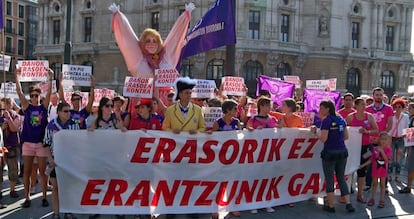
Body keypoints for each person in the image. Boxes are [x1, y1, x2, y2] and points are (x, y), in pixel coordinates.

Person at [110, 2, 194, 76]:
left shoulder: (166, 57)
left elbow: (175, 36)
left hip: (165, 93)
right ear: (142, 43)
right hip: (143, 93)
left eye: (155, 41)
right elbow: (127, 35)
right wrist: (118, 17)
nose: (151, 44)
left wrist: (185, 17)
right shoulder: (138, 59)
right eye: (148, 41)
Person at [162, 77, 205, 219]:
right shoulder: (170, 110)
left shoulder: (198, 110)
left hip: (192, 152)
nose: (189, 95)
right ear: (180, 94)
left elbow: (203, 128)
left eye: (190, 92)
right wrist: (171, 132)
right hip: (175, 153)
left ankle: (192, 209)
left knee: (191, 181)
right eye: (186, 92)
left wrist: (197, 132)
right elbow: (164, 128)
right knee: (173, 182)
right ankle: (171, 210)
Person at [15, 67, 53, 208]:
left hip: (41, 144)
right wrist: (16, 77)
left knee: (42, 173)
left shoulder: (44, 107)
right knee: (27, 171)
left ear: (40, 96)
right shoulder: (27, 107)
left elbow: (49, 93)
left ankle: (43, 197)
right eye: (32, 95)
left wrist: (50, 78)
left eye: (36, 95)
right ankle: (27, 198)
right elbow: (19, 92)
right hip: (28, 144)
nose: (34, 97)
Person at [311, 100, 355, 213]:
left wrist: (315, 132)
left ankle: (331, 205)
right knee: (341, 177)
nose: (319, 111)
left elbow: (324, 138)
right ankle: (348, 203)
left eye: (321, 108)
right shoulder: (341, 120)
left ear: (327, 109)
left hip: (330, 152)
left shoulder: (326, 121)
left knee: (329, 179)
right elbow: (346, 136)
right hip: (342, 151)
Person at [43, 102, 80, 219]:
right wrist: (50, 159)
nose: (68, 113)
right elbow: (46, 143)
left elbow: (79, 143)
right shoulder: (51, 125)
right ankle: (56, 213)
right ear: (58, 112)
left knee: (68, 187)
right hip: (55, 160)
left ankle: (68, 212)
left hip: (69, 160)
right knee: (55, 187)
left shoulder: (75, 124)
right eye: (65, 111)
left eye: (69, 111)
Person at [210, 99, 241, 218]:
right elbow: (213, 140)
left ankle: (231, 206)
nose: (237, 111)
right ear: (227, 110)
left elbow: (240, 137)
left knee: (232, 182)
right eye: (234, 109)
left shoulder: (237, 122)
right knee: (218, 183)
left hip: (233, 157)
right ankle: (215, 208)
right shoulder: (218, 123)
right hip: (220, 158)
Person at [246, 96, 277, 214]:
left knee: (267, 178)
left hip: (270, 154)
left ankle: (266, 202)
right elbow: (247, 129)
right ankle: (253, 203)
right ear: (261, 106)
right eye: (268, 105)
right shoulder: (253, 119)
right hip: (256, 154)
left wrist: (279, 129)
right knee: (255, 178)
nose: (270, 108)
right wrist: (251, 130)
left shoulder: (273, 119)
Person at [346, 97, 378, 203]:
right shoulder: (350, 117)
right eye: (362, 104)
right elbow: (345, 130)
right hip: (353, 147)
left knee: (362, 170)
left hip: (365, 147)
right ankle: (346, 192)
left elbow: (376, 130)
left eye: (365, 104)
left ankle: (360, 194)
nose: (365, 106)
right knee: (349, 168)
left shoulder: (369, 117)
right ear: (356, 106)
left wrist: (367, 132)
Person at [365, 87, 394, 192]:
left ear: (383, 95)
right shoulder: (367, 109)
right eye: (377, 95)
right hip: (370, 141)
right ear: (373, 96)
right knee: (369, 161)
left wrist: (381, 138)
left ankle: (384, 185)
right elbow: (366, 123)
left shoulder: (388, 108)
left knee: (383, 162)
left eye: (380, 95)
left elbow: (390, 125)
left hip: (383, 141)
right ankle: (368, 184)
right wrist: (370, 134)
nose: (379, 97)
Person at [360, 132, 392, 208]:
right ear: (379, 140)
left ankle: (382, 200)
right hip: (375, 169)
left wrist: (382, 151)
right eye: (382, 139)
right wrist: (363, 165)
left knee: (382, 185)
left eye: (385, 139)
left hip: (383, 170)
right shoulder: (374, 149)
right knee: (374, 184)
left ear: (388, 141)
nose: (383, 141)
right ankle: (372, 198)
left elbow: (386, 160)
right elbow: (371, 159)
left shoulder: (388, 149)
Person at [1, 98, 21, 199]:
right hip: (1, 146)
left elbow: (14, 129)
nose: (7, 105)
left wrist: (8, 118)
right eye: (5, 103)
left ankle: (12, 190)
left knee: (13, 168)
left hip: (11, 146)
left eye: (9, 103)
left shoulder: (15, 115)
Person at [388, 98, 409, 182]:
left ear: (402, 107)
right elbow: (389, 126)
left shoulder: (405, 116)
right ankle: (389, 175)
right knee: (391, 157)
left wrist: (405, 135)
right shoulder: (391, 115)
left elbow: (407, 127)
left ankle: (397, 175)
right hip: (391, 138)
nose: (397, 108)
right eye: (396, 107)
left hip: (401, 138)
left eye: (399, 106)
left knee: (399, 158)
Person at [399, 102, 414, 193]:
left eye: (410, 108)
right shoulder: (410, 118)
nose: (408, 110)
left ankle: (408, 186)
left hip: (412, 146)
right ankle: (408, 186)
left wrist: (405, 135)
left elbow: (410, 134)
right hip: (411, 145)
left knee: (411, 167)